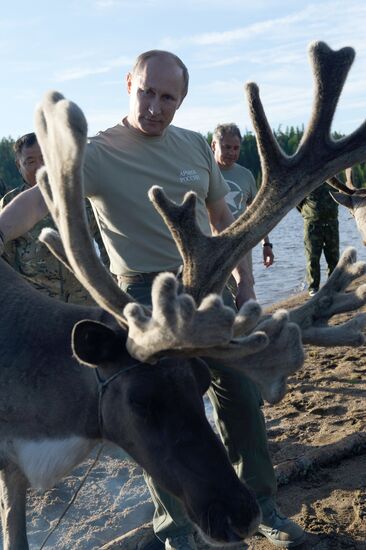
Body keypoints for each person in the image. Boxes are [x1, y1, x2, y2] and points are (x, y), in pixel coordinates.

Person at [0, 51, 305, 549]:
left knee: (242, 396)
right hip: (139, 301)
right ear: (128, 84)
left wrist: (246, 285)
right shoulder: (97, 152)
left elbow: (224, 220)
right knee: (154, 412)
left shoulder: (193, 147)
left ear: (181, 101)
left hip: (206, 291)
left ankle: (262, 506)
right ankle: (176, 531)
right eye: (147, 92)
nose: (155, 106)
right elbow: (38, 201)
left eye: (168, 97)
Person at [0, 132, 106, 304]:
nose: (40, 167)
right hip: (38, 302)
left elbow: (105, 243)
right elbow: (5, 257)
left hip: (84, 300)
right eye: (30, 162)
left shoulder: (81, 197)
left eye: (44, 159)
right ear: (19, 165)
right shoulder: (11, 204)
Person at [211, 123, 274, 302]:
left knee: (245, 289)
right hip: (210, 246)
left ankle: (248, 326)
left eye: (236, 148)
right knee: (214, 296)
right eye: (227, 147)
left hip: (241, 246)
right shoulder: (203, 173)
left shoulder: (245, 175)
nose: (232, 152)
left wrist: (266, 245)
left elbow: (257, 214)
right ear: (214, 145)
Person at [297, 182, 339, 296]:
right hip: (312, 225)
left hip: (332, 223)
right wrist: (311, 213)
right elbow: (298, 201)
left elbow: (340, 196)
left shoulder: (334, 177)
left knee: (334, 258)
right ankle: (313, 288)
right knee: (312, 258)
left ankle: (333, 286)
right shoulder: (308, 179)